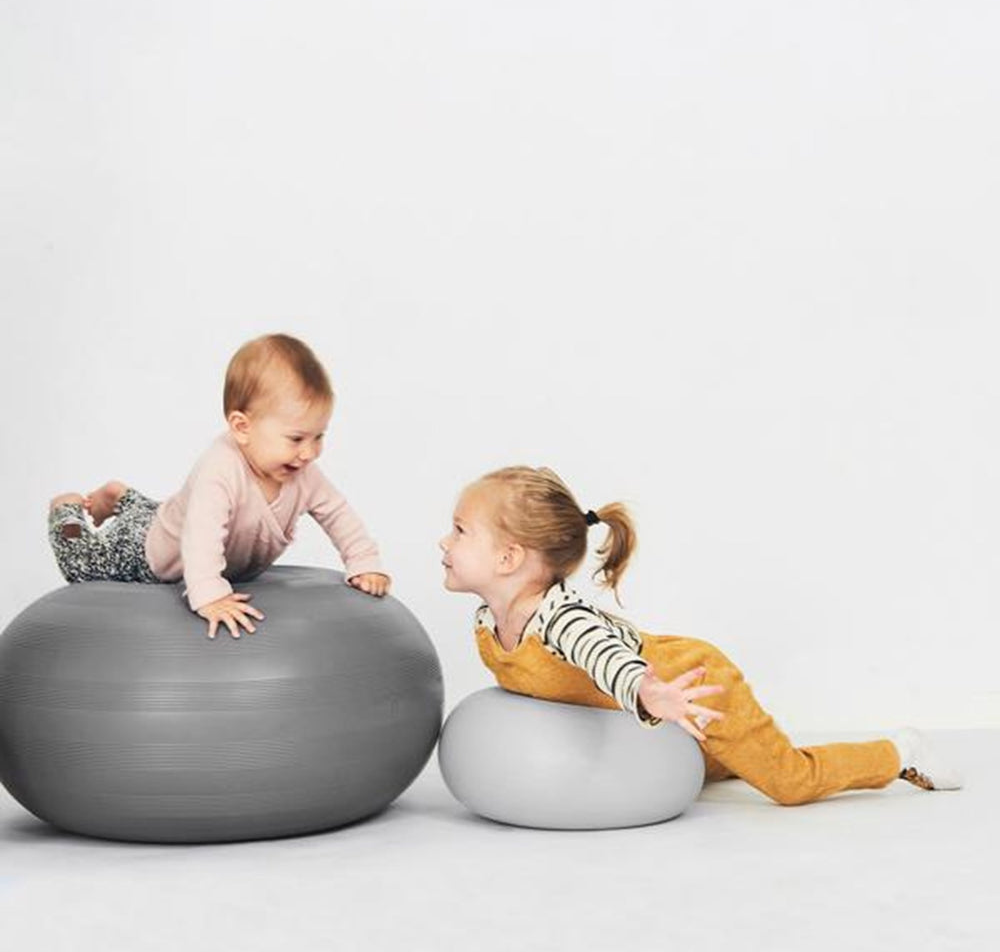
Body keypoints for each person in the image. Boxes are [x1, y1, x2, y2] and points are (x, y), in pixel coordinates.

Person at [439, 465, 962, 805]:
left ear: (508, 558)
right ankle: (734, 756)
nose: (444, 541)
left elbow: (604, 656)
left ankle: (899, 753)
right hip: (665, 706)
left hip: (694, 686)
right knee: (720, 768)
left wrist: (647, 691)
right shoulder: (491, 618)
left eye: (460, 530)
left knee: (789, 782)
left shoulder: (560, 619)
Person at [48, 333, 390, 638]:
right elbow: (202, 534)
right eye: (297, 438)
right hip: (143, 553)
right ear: (242, 427)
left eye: (319, 436)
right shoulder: (220, 469)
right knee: (82, 564)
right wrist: (209, 593)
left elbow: (338, 513)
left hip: (168, 518)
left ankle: (124, 498)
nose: (310, 452)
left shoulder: (303, 474)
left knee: (161, 514)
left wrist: (364, 563)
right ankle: (66, 510)